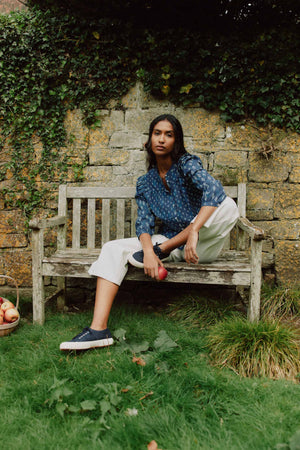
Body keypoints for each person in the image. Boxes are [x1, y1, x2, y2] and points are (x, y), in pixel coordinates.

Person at [60, 114, 239, 351]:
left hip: (199, 246)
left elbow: (214, 190)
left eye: (169, 134)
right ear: (149, 140)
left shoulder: (187, 165)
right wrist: (147, 251)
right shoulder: (145, 183)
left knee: (228, 205)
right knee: (112, 248)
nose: (162, 139)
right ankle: (98, 330)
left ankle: (163, 249)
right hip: (167, 241)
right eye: (157, 133)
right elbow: (143, 223)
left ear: (177, 141)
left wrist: (194, 229)